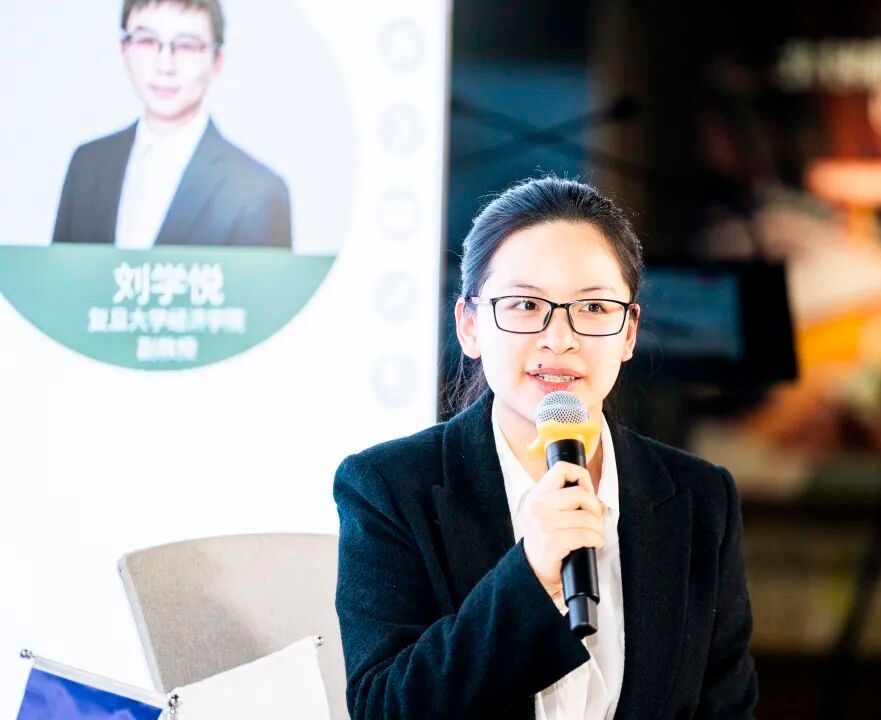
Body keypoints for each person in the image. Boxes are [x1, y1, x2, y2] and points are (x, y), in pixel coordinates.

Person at [334, 177, 758, 718]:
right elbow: (383, 708)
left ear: (629, 333)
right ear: (469, 326)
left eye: (594, 307)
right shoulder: (388, 488)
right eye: (525, 304)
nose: (560, 339)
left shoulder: (701, 499)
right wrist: (530, 575)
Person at [51, 0, 291, 249]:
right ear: (124, 49)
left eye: (187, 46)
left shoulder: (258, 192)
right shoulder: (87, 164)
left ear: (217, 60)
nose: (164, 66)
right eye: (147, 41)